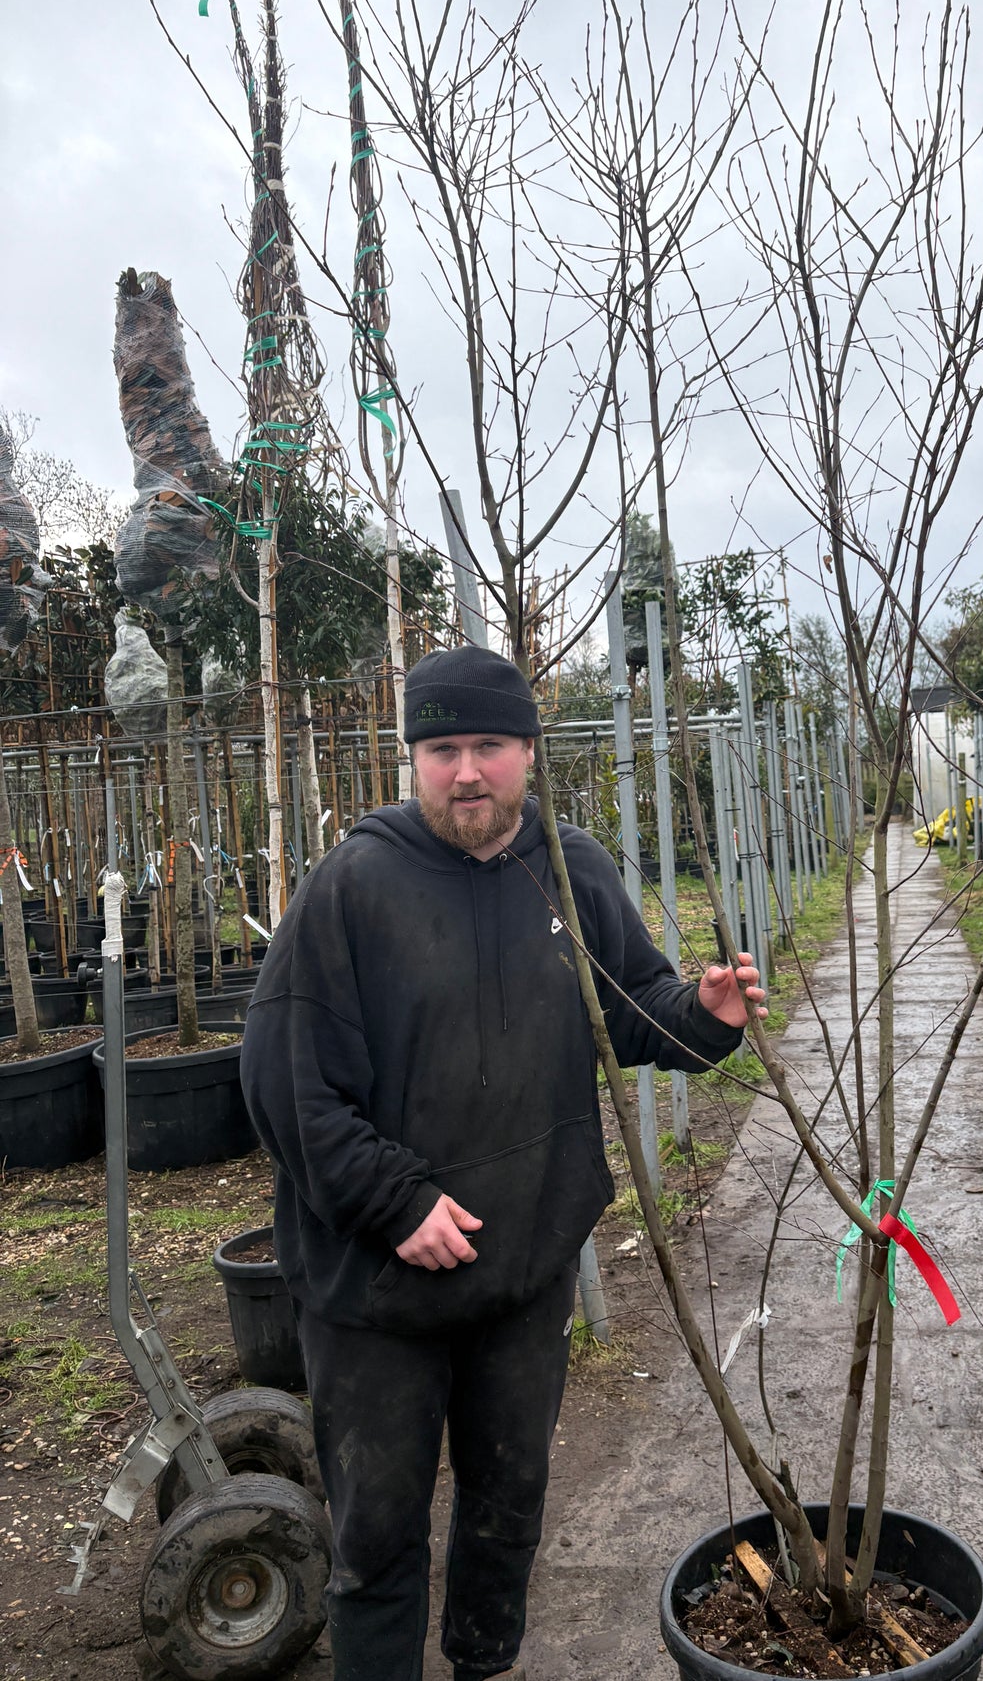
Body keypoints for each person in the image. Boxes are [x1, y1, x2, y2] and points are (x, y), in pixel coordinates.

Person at [241, 646, 764, 1681]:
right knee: (377, 1535)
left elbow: (636, 1008)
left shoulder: (570, 870)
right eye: (442, 749)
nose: (466, 771)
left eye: (488, 745)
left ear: (528, 750)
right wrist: (395, 1202)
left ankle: (487, 1663)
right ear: (413, 760)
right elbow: (283, 1081)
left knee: (505, 1509)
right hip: (375, 1292)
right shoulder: (355, 885)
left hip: (523, 1276)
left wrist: (701, 1017)